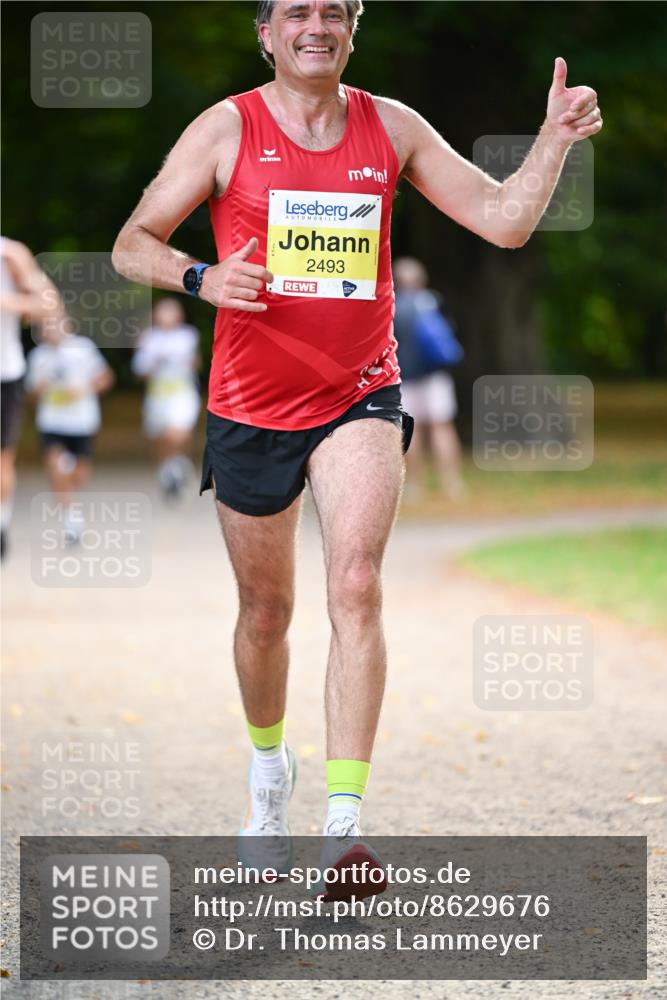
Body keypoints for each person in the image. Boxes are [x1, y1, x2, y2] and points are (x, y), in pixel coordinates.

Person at [111, 0, 602, 899]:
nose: (316, 24)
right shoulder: (227, 128)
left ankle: (343, 829)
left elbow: (503, 221)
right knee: (266, 613)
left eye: (333, 11)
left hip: (359, 391)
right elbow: (130, 244)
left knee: (356, 583)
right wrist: (201, 276)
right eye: (296, 11)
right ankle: (269, 777)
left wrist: (552, 142)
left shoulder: (392, 126)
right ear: (265, 33)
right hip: (250, 402)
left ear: (351, 29)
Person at [25, 312, 115, 543]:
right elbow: (31, 396)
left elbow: (106, 378)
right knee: (56, 469)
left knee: (78, 475)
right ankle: (71, 520)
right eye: (46, 326)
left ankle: (70, 500)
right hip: (52, 422)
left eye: (55, 325)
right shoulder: (38, 357)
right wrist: (40, 389)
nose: (51, 330)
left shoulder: (83, 349)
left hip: (81, 422)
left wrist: (84, 390)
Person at [0, 237, 63, 558]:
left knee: (2, 460)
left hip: (4, 372)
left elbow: (49, 304)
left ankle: (2, 523)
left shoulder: (11, 254)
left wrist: (8, 302)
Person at [393, 257, 465, 501]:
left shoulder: (391, 306)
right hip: (435, 375)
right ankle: (452, 483)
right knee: (442, 427)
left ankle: (414, 486)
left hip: (404, 377)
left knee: (411, 432)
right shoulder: (433, 301)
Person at [132, 297, 201, 501]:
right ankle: (167, 469)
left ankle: (178, 463)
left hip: (182, 392)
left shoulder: (188, 336)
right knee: (160, 437)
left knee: (178, 432)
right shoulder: (149, 339)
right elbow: (139, 371)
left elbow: (196, 363)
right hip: (158, 395)